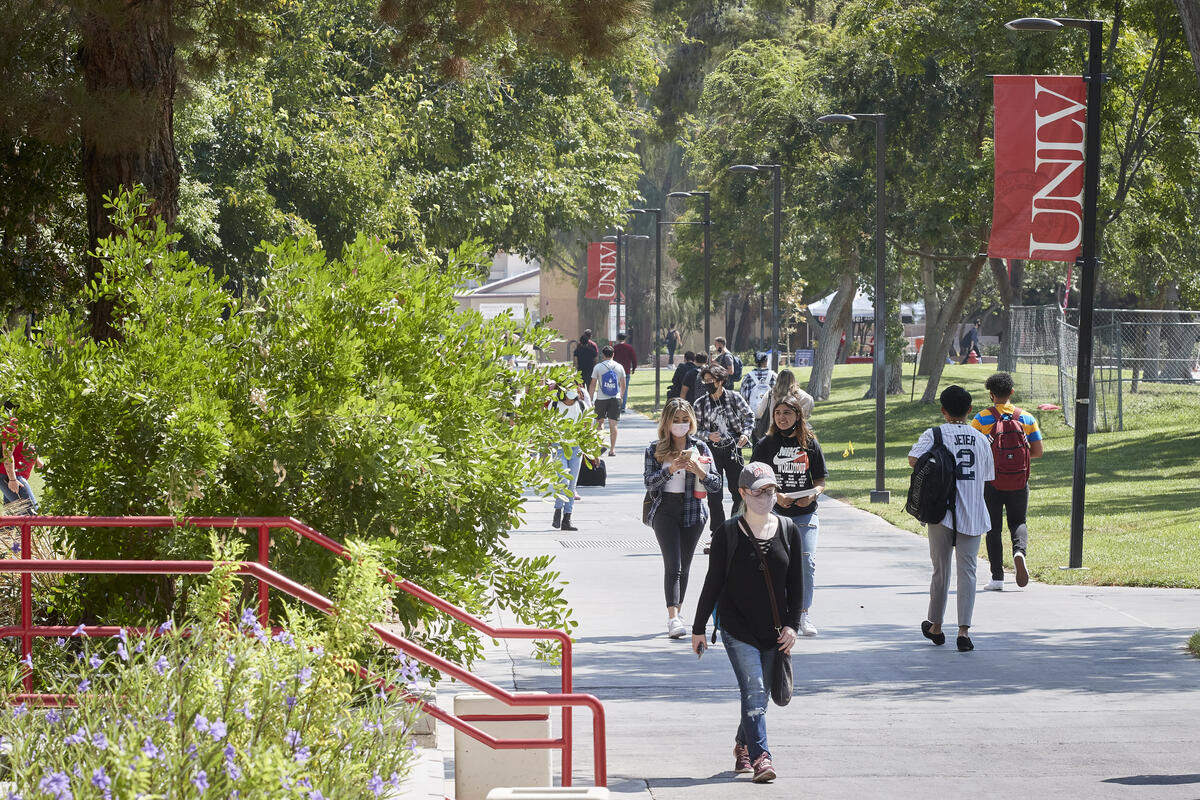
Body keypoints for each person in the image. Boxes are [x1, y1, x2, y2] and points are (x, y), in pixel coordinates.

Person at [691, 462, 802, 784]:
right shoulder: (728, 533)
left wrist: (793, 625)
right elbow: (712, 583)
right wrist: (698, 628)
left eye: (770, 491)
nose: (766, 498)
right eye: (758, 492)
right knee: (754, 690)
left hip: (775, 629)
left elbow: (796, 586)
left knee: (761, 695)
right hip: (737, 628)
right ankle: (761, 758)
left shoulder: (788, 530)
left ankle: (743, 743)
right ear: (742, 493)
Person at [908, 385, 994, 652]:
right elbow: (988, 475)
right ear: (970, 410)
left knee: (941, 570)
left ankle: (935, 625)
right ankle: (964, 631)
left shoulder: (934, 434)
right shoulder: (981, 439)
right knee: (967, 572)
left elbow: (913, 459)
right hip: (974, 512)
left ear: (943, 410)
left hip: (941, 510)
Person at [643, 399, 722, 639]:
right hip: (665, 510)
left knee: (685, 566)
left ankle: (678, 611)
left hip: (693, 511)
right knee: (673, 565)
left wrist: (697, 470)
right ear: (666, 422)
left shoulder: (701, 448)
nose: (680, 425)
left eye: (685, 420)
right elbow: (649, 482)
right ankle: (673, 617)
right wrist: (670, 468)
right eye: (675, 420)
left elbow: (716, 484)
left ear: (692, 422)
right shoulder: (655, 449)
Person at [751, 395, 827, 636]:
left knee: (806, 562)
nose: (782, 417)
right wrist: (775, 495)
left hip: (805, 514)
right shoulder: (766, 444)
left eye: (787, 413)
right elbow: (754, 477)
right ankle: (777, 613)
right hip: (774, 513)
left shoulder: (810, 443)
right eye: (778, 413)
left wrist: (813, 495)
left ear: (798, 415)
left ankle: (803, 614)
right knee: (775, 564)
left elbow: (820, 481)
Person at [971, 372, 1044, 591]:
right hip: (1019, 480)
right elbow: (1038, 452)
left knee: (993, 528)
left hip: (991, 481)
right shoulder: (1027, 418)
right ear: (1012, 392)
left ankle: (997, 578)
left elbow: (975, 450)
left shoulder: (981, 418)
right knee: (1018, 521)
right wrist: (1016, 458)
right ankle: (1019, 552)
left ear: (991, 395)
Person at [693, 364, 755, 532]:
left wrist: (745, 434)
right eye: (704, 381)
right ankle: (718, 532)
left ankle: (736, 527)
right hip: (711, 452)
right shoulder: (700, 403)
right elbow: (693, 428)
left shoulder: (734, 398)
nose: (707, 384)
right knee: (714, 494)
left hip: (734, 448)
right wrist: (707, 435)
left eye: (710, 381)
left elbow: (749, 415)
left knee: (738, 491)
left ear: (720, 381)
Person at [548, 382, 591, 532]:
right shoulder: (554, 406)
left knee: (572, 485)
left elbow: (587, 428)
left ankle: (567, 517)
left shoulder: (581, 406)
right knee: (564, 481)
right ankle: (558, 510)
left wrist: (590, 450)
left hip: (576, 449)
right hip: (559, 447)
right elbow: (548, 426)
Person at [1, 404, 42, 514]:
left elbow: (24, 445)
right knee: (31, 514)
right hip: (10, 477)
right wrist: (13, 480)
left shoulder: (23, 424)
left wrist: (37, 460)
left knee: (12, 522)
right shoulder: (12, 424)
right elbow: (7, 454)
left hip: (14, 476)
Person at [753, 369, 813, 443]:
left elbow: (760, 412)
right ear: (793, 380)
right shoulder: (805, 397)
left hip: (774, 433)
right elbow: (805, 416)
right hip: (797, 435)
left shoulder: (770, 395)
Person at [589, 345, 626, 455]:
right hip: (615, 397)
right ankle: (612, 449)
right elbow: (623, 384)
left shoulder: (598, 367)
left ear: (603, 355)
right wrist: (622, 396)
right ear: (613, 354)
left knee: (599, 423)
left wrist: (590, 399)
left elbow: (593, 385)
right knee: (613, 424)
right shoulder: (619, 367)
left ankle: (600, 445)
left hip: (601, 398)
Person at [740, 353, 777, 426]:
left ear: (755, 362)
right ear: (766, 361)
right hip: (771, 415)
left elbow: (743, 397)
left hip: (753, 415)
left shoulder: (748, 377)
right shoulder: (774, 376)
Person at [613, 332, 638, 412]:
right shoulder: (629, 348)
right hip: (626, 371)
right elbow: (634, 359)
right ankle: (623, 407)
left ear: (617, 338)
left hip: (615, 372)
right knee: (625, 389)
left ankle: (616, 405)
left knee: (616, 389)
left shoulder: (615, 348)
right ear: (625, 339)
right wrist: (633, 368)